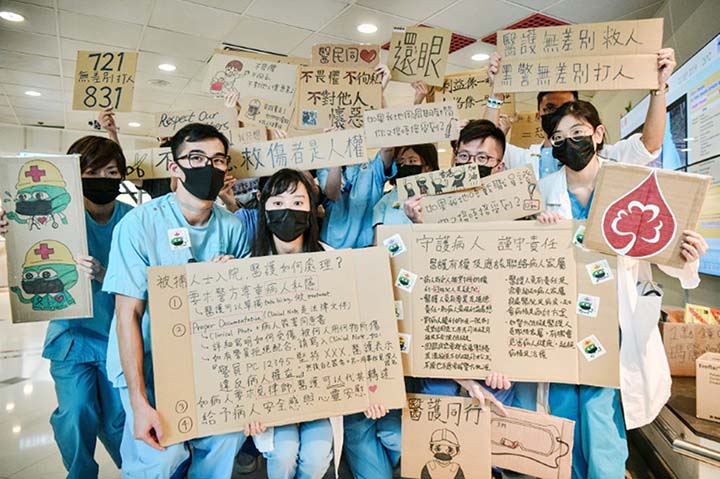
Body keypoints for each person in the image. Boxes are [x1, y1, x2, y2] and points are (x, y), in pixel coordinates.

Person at [534, 100, 708, 479]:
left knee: (601, 419)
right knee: (563, 419)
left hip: (613, 323)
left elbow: (659, 247)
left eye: (578, 133)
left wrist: (686, 251)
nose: (570, 143)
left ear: (598, 134)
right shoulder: (542, 191)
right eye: (559, 138)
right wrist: (538, 232)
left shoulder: (629, 183)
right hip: (561, 324)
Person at [102, 123, 252, 478]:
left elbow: (245, 313)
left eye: (217, 160)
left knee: (223, 441)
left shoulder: (231, 227)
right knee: (160, 456)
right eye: (195, 158)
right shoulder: (139, 225)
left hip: (208, 361)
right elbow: (128, 316)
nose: (207, 167)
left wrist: (232, 281)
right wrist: (139, 402)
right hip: (150, 363)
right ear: (175, 167)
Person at [1, 136, 132, 478]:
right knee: (76, 414)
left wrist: (106, 274)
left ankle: (133, 469)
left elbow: (150, 277)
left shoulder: (134, 220)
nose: (102, 179)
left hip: (119, 336)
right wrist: (11, 229)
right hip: (71, 336)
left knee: (120, 419)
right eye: (91, 172)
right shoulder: (56, 218)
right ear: (74, 176)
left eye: (111, 171)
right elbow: (26, 241)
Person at [249, 168, 341, 478]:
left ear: (312, 209)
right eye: (278, 203)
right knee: (283, 455)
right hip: (270, 392)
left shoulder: (335, 261)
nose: (288, 210)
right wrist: (245, 404)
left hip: (321, 388)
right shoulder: (244, 270)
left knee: (315, 460)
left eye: (298, 202)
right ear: (264, 209)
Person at [484, 49, 677, 179]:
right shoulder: (523, 159)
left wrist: (659, 87)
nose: (560, 115)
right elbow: (486, 145)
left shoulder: (606, 156)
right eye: (550, 108)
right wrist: (496, 93)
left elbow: (649, 145)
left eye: (567, 107)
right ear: (538, 115)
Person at [318, 78, 431, 249]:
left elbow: (389, 142)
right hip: (332, 248)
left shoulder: (372, 169)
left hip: (366, 249)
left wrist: (378, 93)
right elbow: (332, 193)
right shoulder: (326, 166)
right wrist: (336, 150)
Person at [372, 144, 439, 228]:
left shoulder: (440, 199)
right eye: (401, 161)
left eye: (412, 161)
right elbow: (378, 238)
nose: (405, 165)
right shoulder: (386, 200)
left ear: (428, 167)